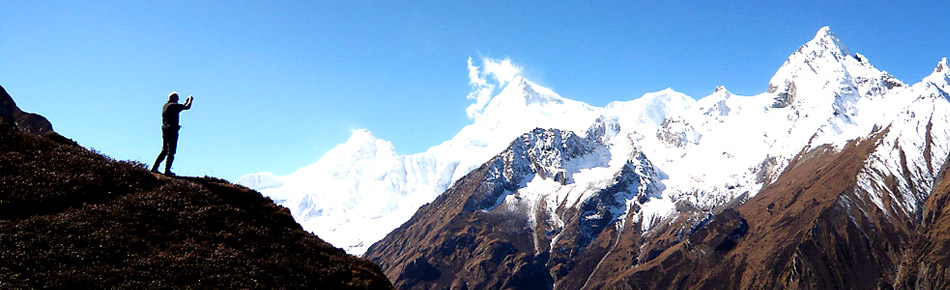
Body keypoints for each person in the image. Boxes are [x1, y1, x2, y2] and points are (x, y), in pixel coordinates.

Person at [151, 92, 193, 176]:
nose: (177, 100)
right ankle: (167, 171)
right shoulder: (173, 106)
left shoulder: (166, 106)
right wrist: (190, 100)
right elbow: (187, 107)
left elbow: (181, 107)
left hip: (165, 129)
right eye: (177, 99)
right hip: (172, 130)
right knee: (171, 151)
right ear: (173, 98)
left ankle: (154, 168)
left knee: (164, 150)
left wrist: (185, 102)